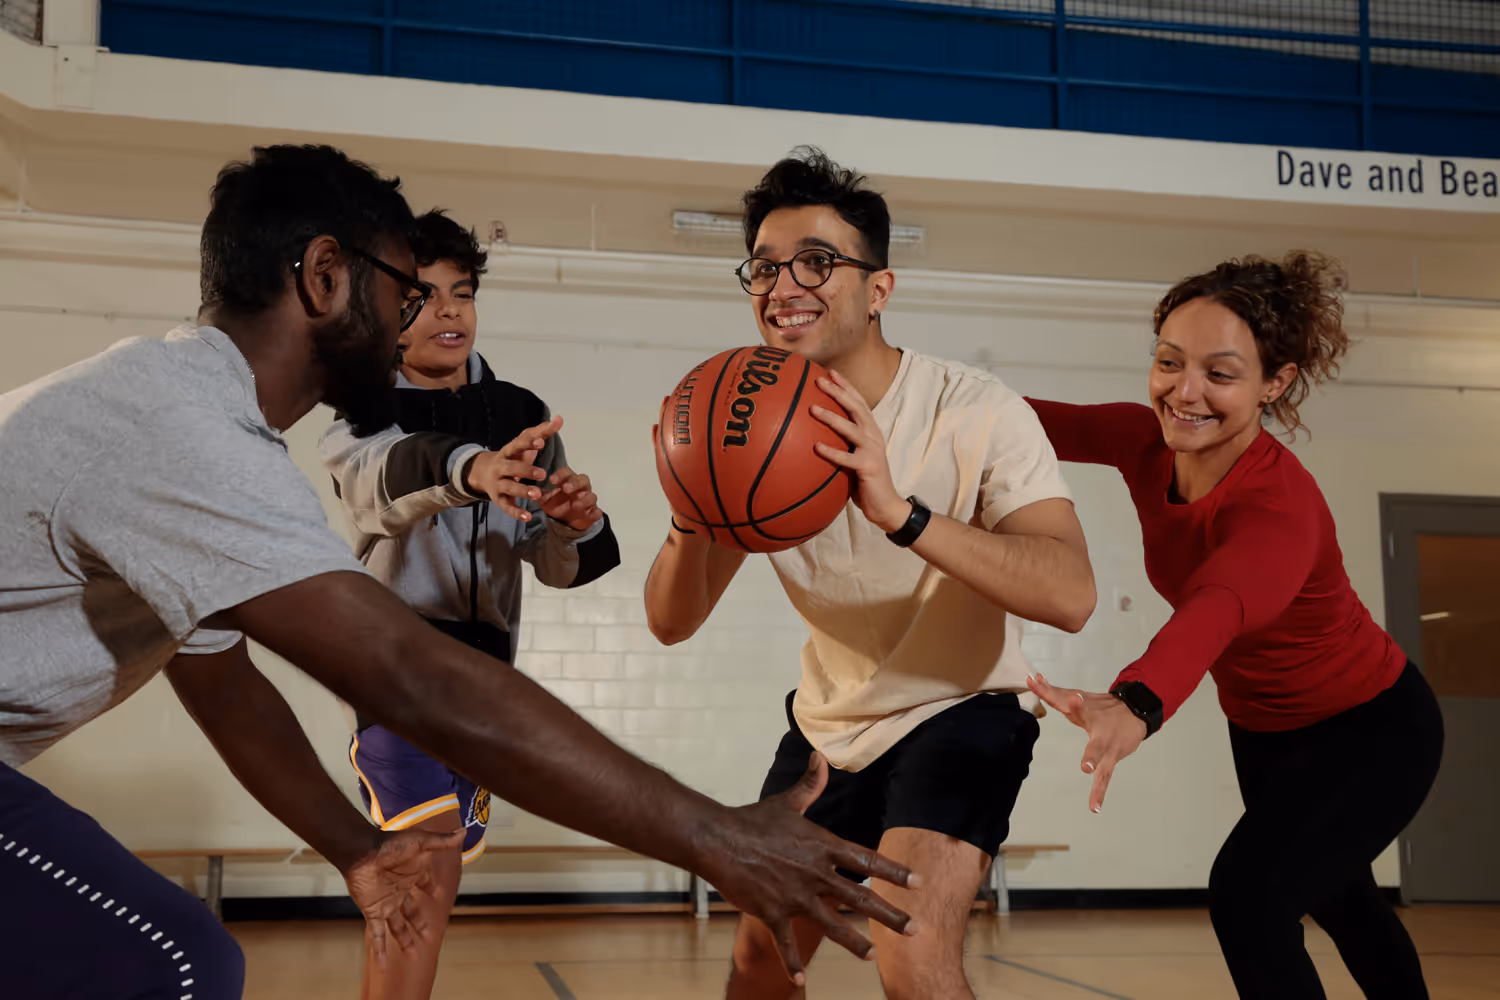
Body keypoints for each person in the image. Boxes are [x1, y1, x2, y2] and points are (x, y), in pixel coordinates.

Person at [0, 144, 919, 1000]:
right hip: (430, 678)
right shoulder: (186, 431)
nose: (423, 317)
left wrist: (357, 850)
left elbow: (221, 680)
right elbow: (406, 670)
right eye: (406, 291)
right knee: (181, 963)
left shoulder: (185, 416)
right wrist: (715, 836)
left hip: (463, 666)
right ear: (326, 279)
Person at [644, 147, 1096, 1000]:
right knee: (759, 956)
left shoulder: (975, 408)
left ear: (879, 289)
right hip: (830, 724)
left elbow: (1071, 594)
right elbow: (671, 621)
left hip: (961, 708)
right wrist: (685, 502)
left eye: (818, 262)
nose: (785, 285)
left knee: (911, 952)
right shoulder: (754, 427)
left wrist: (904, 515)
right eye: (766, 267)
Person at [1023, 251, 1444, 999]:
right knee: (1338, 896)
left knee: (1251, 895)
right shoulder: (1141, 442)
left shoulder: (1278, 508)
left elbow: (1217, 605)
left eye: (1219, 374)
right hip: (1266, 733)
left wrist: (1139, 699)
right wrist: (902, 389)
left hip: (1373, 731)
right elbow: (1018, 423)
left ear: (1272, 385)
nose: (1185, 392)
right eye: (1168, 362)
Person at [320, 208, 622, 998]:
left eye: (462, 292)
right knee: (426, 873)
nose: (449, 311)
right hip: (394, 670)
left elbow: (556, 566)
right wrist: (473, 469)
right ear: (386, 313)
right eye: (422, 296)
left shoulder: (521, 411)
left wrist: (572, 521)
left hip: (486, 683)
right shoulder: (361, 411)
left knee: (433, 879)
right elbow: (385, 481)